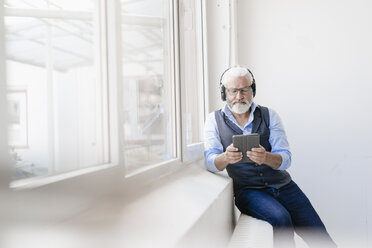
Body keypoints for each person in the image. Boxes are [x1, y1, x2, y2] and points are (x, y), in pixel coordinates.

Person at [203, 66, 337, 248]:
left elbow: (286, 158)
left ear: (253, 90)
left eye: (245, 90)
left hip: (285, 186)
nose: (239, 96)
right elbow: (210, 161)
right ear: (224, 93)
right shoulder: (213, 120)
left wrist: (266, 157)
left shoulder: (270, 115)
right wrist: (225, 157)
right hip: (249, 191)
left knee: (321, 238)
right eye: (233, 91)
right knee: (281, 219)